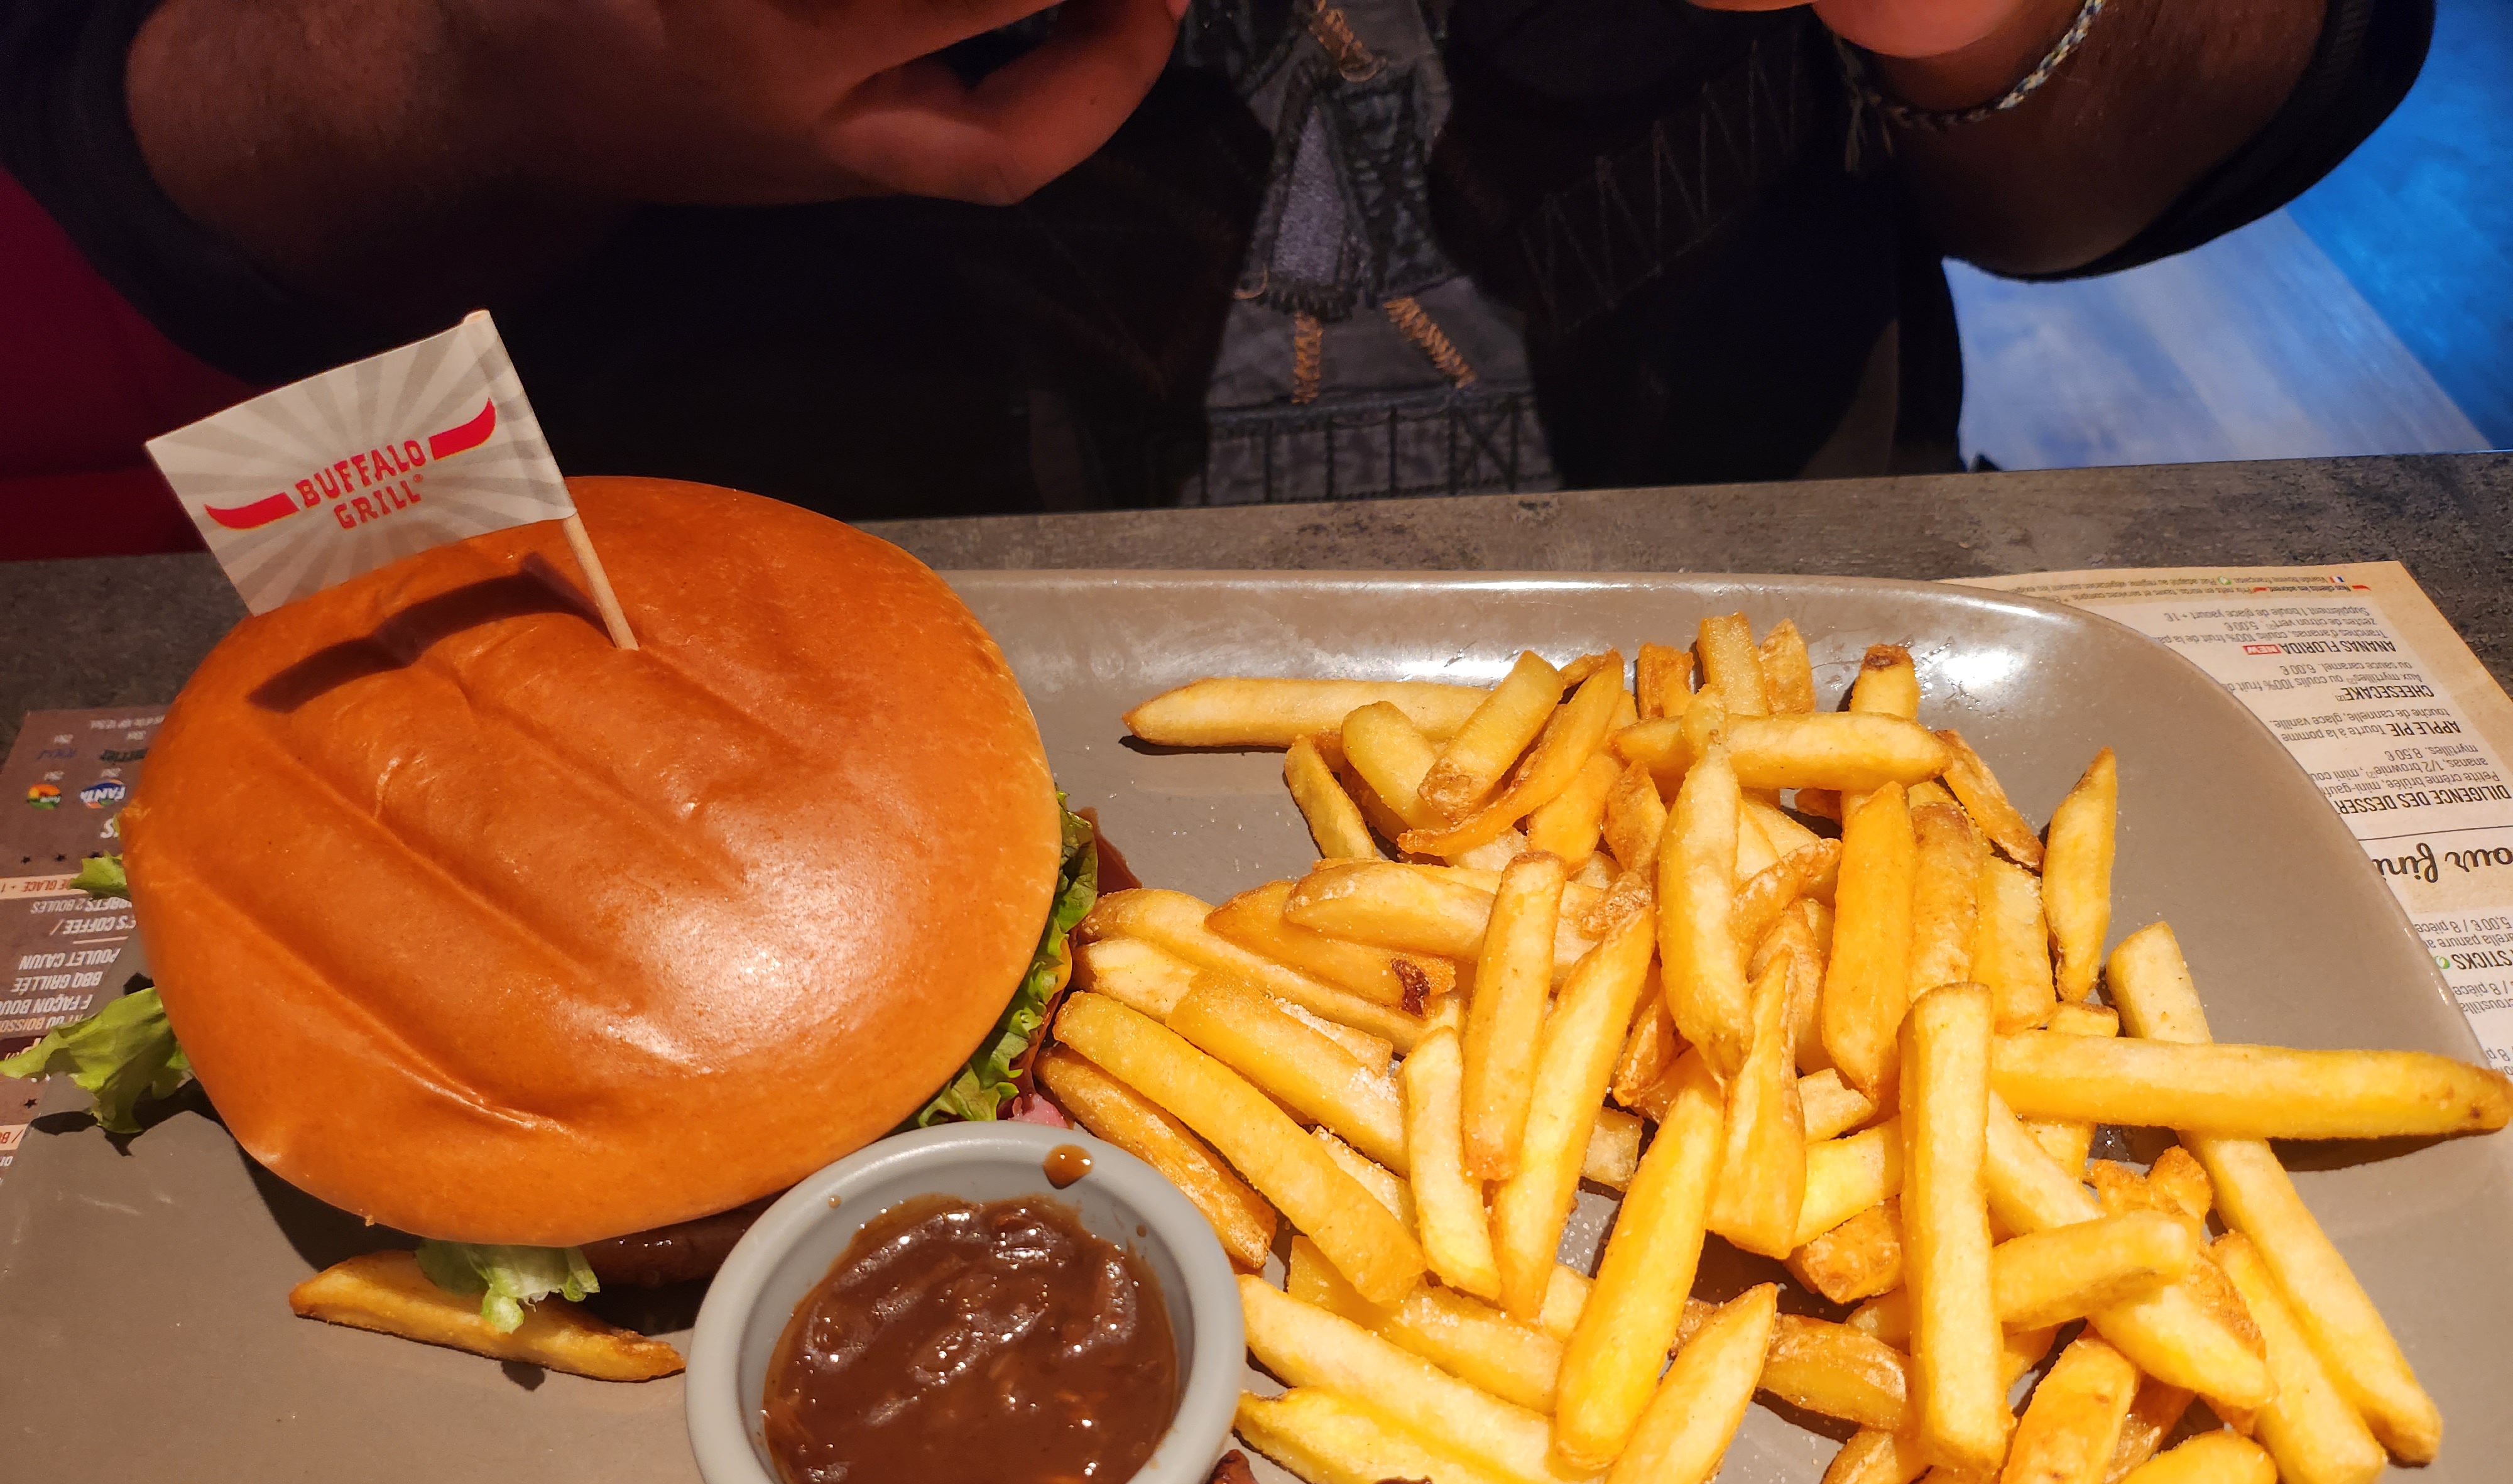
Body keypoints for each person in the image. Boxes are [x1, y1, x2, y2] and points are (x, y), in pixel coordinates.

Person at [0, 0, 2430, 530]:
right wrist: (490, 59)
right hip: (661, 704)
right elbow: (115, 145)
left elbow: (2182, 127)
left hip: (1782, 702)